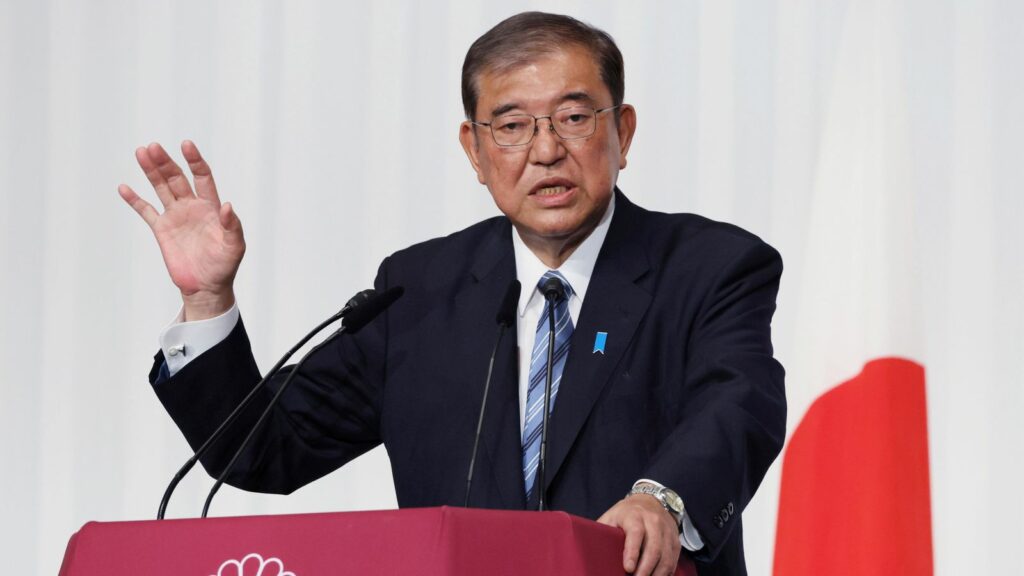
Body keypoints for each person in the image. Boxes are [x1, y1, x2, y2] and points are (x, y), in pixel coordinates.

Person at [118, 12, 785, 576]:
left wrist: (662, 498)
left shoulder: (710, 267)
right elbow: (265, 448)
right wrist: (208, 299)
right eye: (513, 125)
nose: (546, 149)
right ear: (474, 149)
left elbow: (739, 405)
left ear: (623, 132)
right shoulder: (418, 292)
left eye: (574, 116)